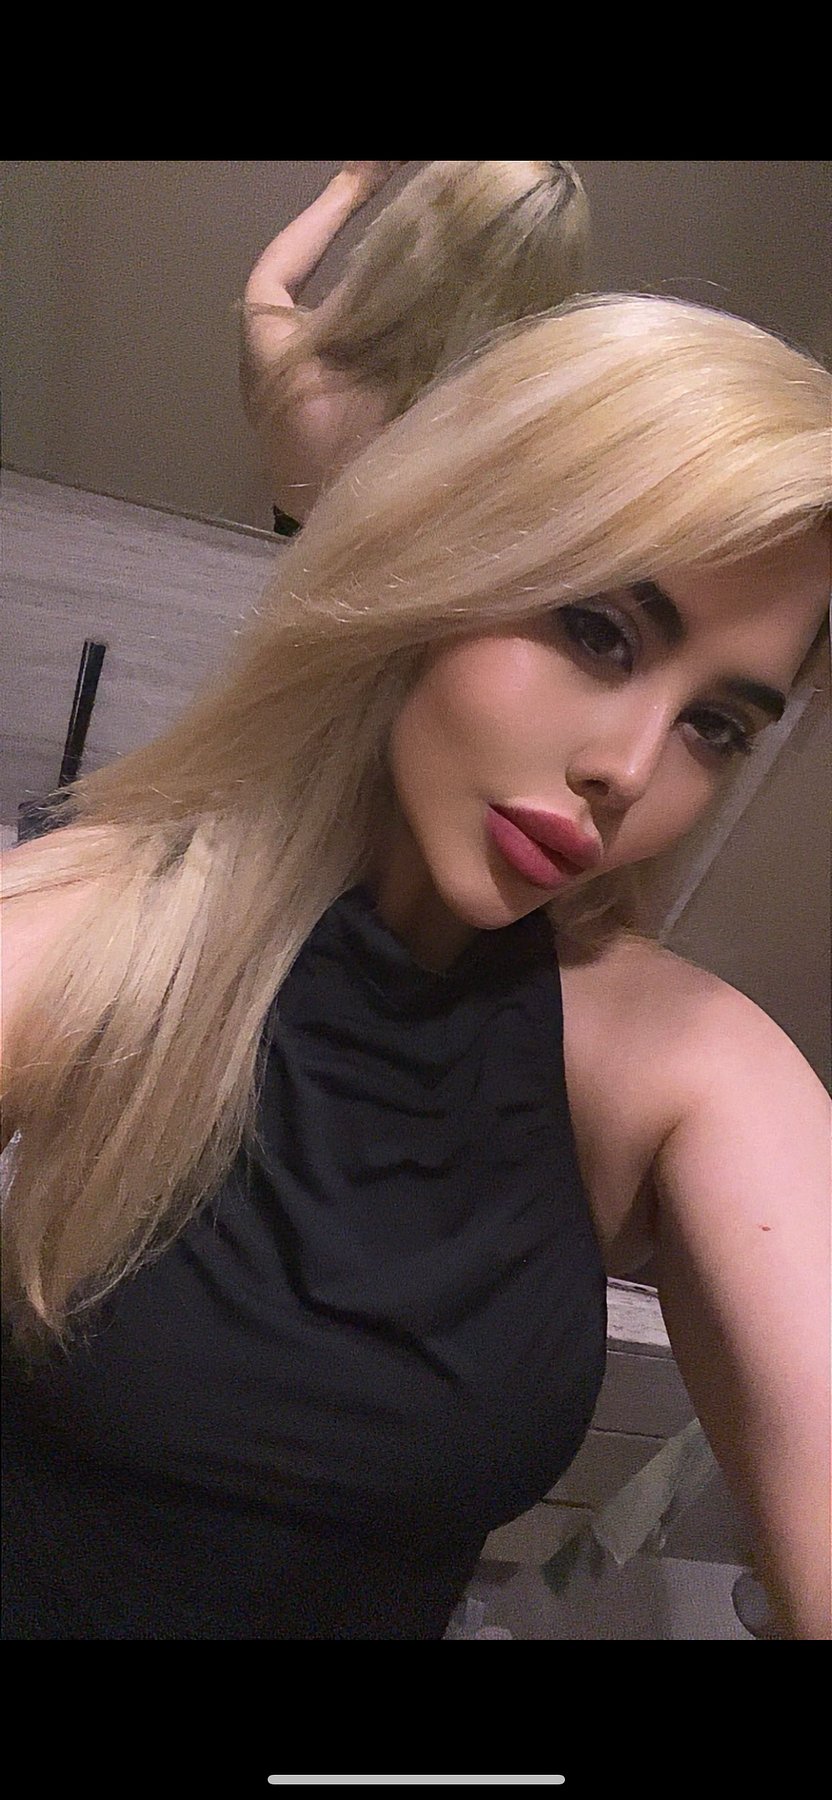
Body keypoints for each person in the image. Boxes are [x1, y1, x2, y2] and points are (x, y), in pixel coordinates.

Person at [1, 293, 830, 1641]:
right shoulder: (104, 924)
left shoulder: (674, 1064)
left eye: (716, 726)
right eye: (599, 632)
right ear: (442, 559)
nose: (628, 767)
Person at [239, 160, 590, 533]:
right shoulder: (511, 449)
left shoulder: (289, 369)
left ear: (406, 232)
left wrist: (355, 182)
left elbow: (272, 279)